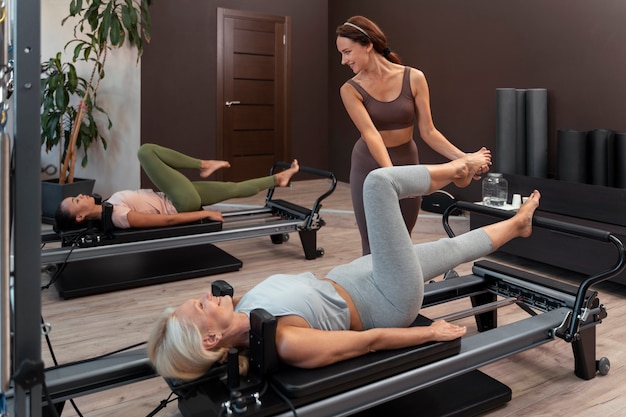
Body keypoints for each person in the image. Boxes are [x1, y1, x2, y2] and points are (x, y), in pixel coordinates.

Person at [147, 148, 541, 381]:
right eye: (199, 307)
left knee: (444, 250)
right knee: (377, 184)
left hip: (351, 279)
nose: (205, 297)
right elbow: (366, 342)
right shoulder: (286, 341)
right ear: (210, 340)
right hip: (385, 300)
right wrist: (430, 333)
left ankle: (517, 224)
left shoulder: (249, 312)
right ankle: (458, 170)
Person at [336, 16, 490, 255]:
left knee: (402, 238)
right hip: (370, 165)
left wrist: (463, 157)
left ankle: (402, 292)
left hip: (407, 158)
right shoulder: (350, 89)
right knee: (372, 242)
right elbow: (371, 135)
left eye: (347, 52)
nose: (344, 60)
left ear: (367, 44)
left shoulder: (414, 77)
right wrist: (392, 177)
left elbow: (428, 131)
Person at [54, 143, 300, 230]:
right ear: (81, 217)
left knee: (233, 188)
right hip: (179, 203)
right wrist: (204, 213)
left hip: (177, 196)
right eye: (76, 201)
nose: (80, 195)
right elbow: (166, 222)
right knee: (145, 152)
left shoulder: (110, 204)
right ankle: (203, 164)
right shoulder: (118, 216)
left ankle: (279, 179)